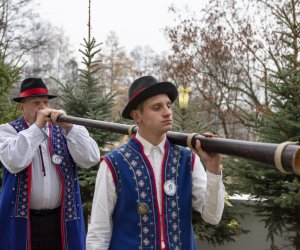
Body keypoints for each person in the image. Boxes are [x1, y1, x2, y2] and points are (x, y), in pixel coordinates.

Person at [86, 76, 225, 250]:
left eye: (168, 105)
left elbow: (213, 216)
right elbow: (98, 231)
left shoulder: (188, 159)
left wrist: (213, 169)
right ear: (137, 116)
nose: (167, 112)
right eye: (157, 107)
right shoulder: (114, 164)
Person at [0, 78, 100, 250]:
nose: (43, 107)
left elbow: (91, 158)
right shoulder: (7, 131)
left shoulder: (67, 130)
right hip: (22, 222)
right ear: (21, 108)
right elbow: (15, 161)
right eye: (36, 103)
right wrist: (37, 127)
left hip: (59, 220)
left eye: (46, 102)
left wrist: (70, 128)